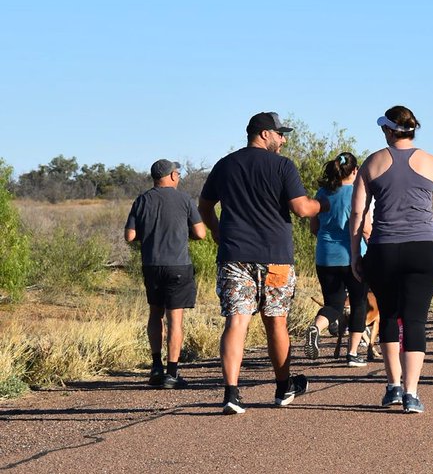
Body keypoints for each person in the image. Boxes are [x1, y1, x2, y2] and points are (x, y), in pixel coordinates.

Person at [198, 112, 323, 415]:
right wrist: (323, 204)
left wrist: (216, 230)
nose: (284, 140)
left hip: (234, 256)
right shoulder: (282, 166)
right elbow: (301, 208)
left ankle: (231, 393)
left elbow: (204, 205)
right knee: (276, 320)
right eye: (280, 134)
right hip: (275, 257)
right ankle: (282, 387)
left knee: (236, 321)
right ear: (265, 134)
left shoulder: (225, 165)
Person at [350, 106, 433, 414]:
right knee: (414, 319)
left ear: (389, 130)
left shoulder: (372, 162)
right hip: (424, 250)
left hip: (384, 250)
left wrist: (355, 254)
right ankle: (411, 394)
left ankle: (393, 387)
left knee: (389, 315)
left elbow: (358, 213)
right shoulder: (431, 162)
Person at [125, 159, 206, 389]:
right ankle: (172, 373)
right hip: (177, 265)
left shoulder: (142, 200)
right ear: (170, 176)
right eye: (177, 173)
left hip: (151, 265)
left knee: (155, 314)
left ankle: (156, 367)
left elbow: (130, 236)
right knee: (175, 319)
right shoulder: (184, 199)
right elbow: (201, 233)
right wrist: (184, 234)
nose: (178, 176)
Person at [304, 152, 372, 366]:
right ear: (355, 170)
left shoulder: (322, 192)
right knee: (359, 303)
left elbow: (314, 227)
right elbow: (366, 228)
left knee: (333, 303)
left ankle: (317, 326)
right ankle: (352, 353)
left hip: (325, 256)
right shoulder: (357, 192)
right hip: (353, 255)